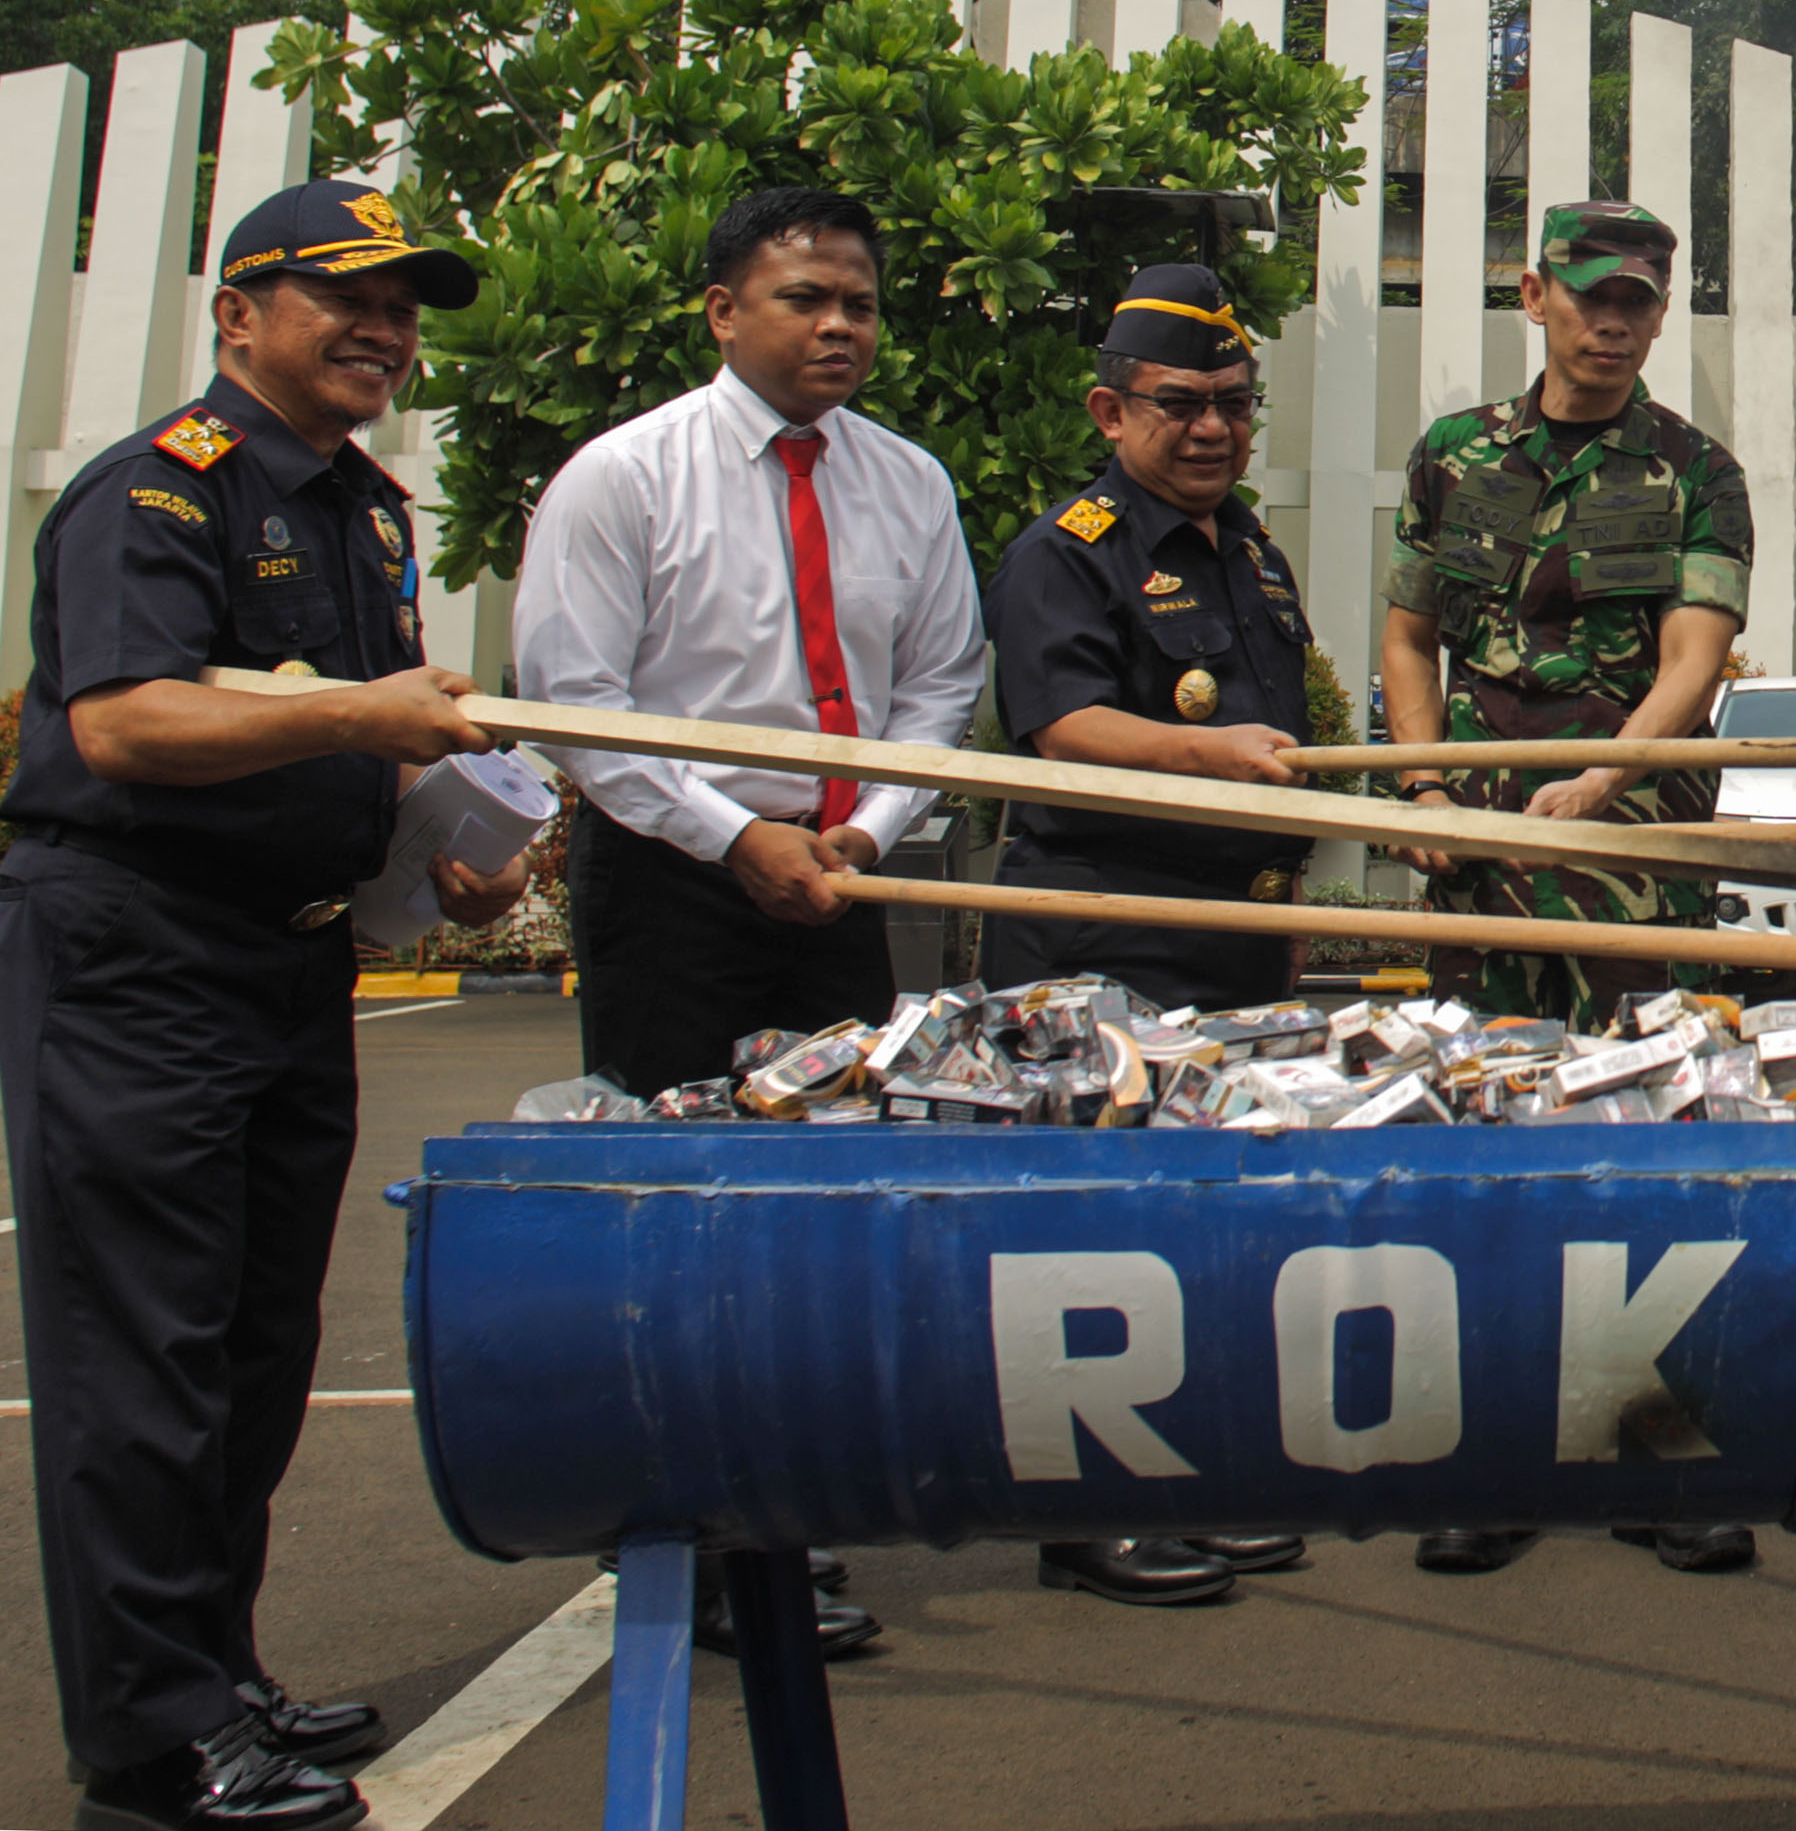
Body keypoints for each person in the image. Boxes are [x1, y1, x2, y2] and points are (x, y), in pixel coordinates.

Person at [1, 179, 527, 1831]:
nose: (384, 327)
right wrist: (365, 718)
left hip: (293, 962)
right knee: (143, 1358)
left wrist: (452, 848)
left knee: (251, 1352)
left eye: (403, 303)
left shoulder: (369, 513)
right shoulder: (157, 493)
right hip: (139, 961)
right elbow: (127, 726)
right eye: (343, 296)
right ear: (239, 315)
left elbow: (354, 737)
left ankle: (212, 1673)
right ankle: (152, 1746)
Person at [514, 185, 986, 1660]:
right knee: (676, 1199)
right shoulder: (625, 476)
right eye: (804, 298)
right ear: (727, 310)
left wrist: (861, 830)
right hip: (674, 875)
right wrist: (740, 837)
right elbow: (576, 708)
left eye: (858, 299)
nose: (839, 324)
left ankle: (784, 1514)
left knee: (818, 1199)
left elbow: (942, 684)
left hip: (841, 873)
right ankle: (684, 1533)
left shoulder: (908, 480)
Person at [1380, 198, 1752, 1580]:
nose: (1610, 323)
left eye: (1637, 302)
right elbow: (1409, 635)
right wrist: (1422, 790)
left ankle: (1665, 1454)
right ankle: (1498, 1458)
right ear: (1534, 294)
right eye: (1589, 296)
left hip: (1631, 844)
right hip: (1476, 834)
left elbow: (1692, 661)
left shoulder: (1697, 470)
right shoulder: (1454, 455)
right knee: (1488, 1130)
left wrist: (1601, 782)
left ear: (1661, 313)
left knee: (1650, 1139)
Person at [976, 262, 1319, 1610]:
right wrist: (1202, 750)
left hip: (1230, 937)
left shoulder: (1248, 546)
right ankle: (1090, 1510)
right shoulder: (1064, 550)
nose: (1214, 428)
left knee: (1210, 1233)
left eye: (1234, 402)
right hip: (1105, 936)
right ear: (1109, 410)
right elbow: (1062, 728)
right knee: (1101, 1239)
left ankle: (1187, 1477)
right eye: (1181, 404)